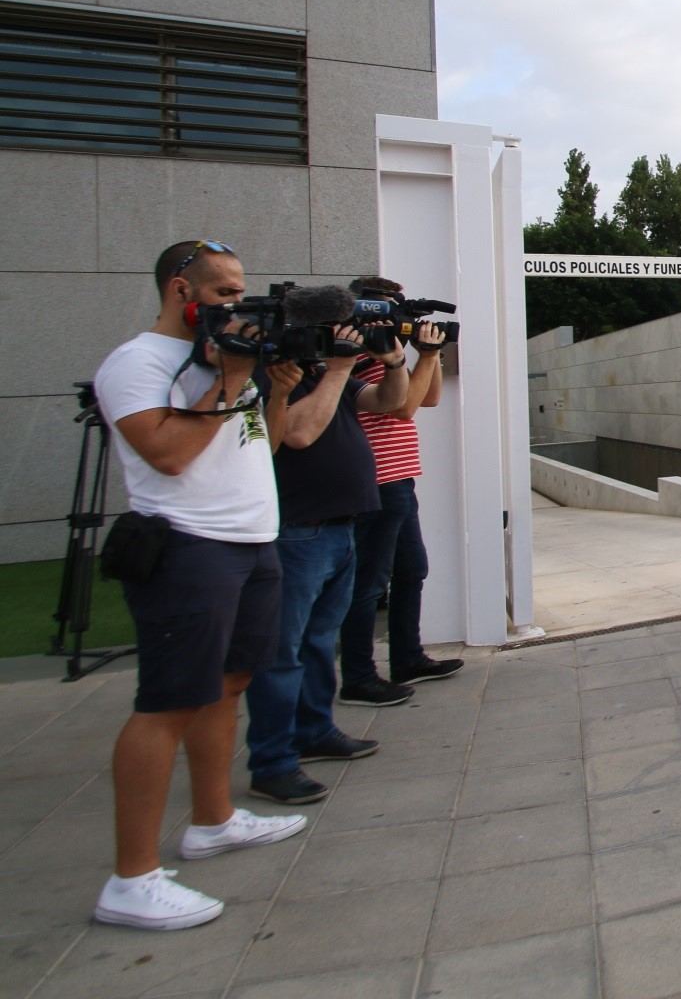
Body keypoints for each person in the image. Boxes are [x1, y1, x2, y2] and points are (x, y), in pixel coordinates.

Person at [90, 240, 309, 931]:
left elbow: (259, 449)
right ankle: (131, 879)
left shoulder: (231, 363)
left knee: (231, 681)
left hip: (250, 542)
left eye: (240, 294)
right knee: (167, 703)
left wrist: (264, 387)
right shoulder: (136, 364)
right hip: (188, 547)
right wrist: (224, 380)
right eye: (221, 295)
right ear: (181, 290)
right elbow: (168, 453)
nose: (234, 307)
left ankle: (212, 820)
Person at [243, 317, 409, 805]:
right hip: (298, 530)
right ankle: (272, 761)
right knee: (282, 651)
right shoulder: (276, 376)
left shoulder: (326, 374)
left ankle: (315, 730)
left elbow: (389, 402)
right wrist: (337, 369)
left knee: (317, 642)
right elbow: (296, 434)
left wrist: (395, 361)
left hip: (340, 526)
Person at [339, 275, 463, 702]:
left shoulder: (389, 352)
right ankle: (357, 676)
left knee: (412, 570)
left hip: (399, 477)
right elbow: (403, 407)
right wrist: (418, 355)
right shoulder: (355, 353)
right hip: (374, 480)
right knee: (369, 583)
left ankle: (408, 657)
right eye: (390, 308)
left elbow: (428, 398)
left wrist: (427, 353)